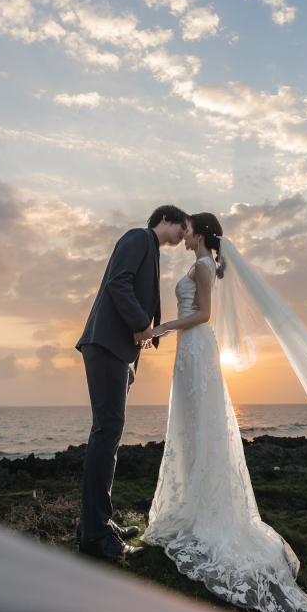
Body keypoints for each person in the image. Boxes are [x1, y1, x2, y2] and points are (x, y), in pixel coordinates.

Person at [142, 212, 307, 612]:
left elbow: (204, 314)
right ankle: (193, 500)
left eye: (189, 228)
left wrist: (162, 327)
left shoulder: (205, 266)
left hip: (196, 346)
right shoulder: (201, 263)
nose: (183, 233)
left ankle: (207, 512)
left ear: (201, 233)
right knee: (193, 429)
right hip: (189, 352)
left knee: (201, 428)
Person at [77, 204, 188, 561]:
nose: (185, 234)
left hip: (119, 351)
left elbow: (131, 289)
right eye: (182, 227)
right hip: (108, 346)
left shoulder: (151, 250)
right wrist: (142, 325)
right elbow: (118, 282)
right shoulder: (139, 237)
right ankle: (95, 537)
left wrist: (148, 334)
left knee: (107, 435)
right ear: (166, 219)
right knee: (106, 433)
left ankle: (96, 524)